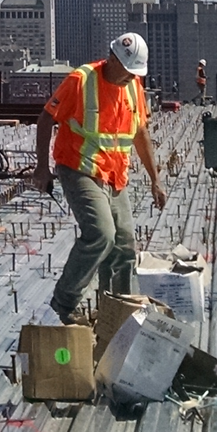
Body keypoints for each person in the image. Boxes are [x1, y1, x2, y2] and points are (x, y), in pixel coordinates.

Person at [33, 31, 169, 324]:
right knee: (100, 234)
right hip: (78, 167)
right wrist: (41, 168)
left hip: (114, 174)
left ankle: (118, 312)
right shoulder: (81, 80)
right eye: (128, 71)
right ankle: (65, 302)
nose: (131, 78)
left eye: (136, 73)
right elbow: (46, 119)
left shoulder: (133, 88)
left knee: (124, 245)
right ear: (112, 59)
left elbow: (140, 133)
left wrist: (155, 179)